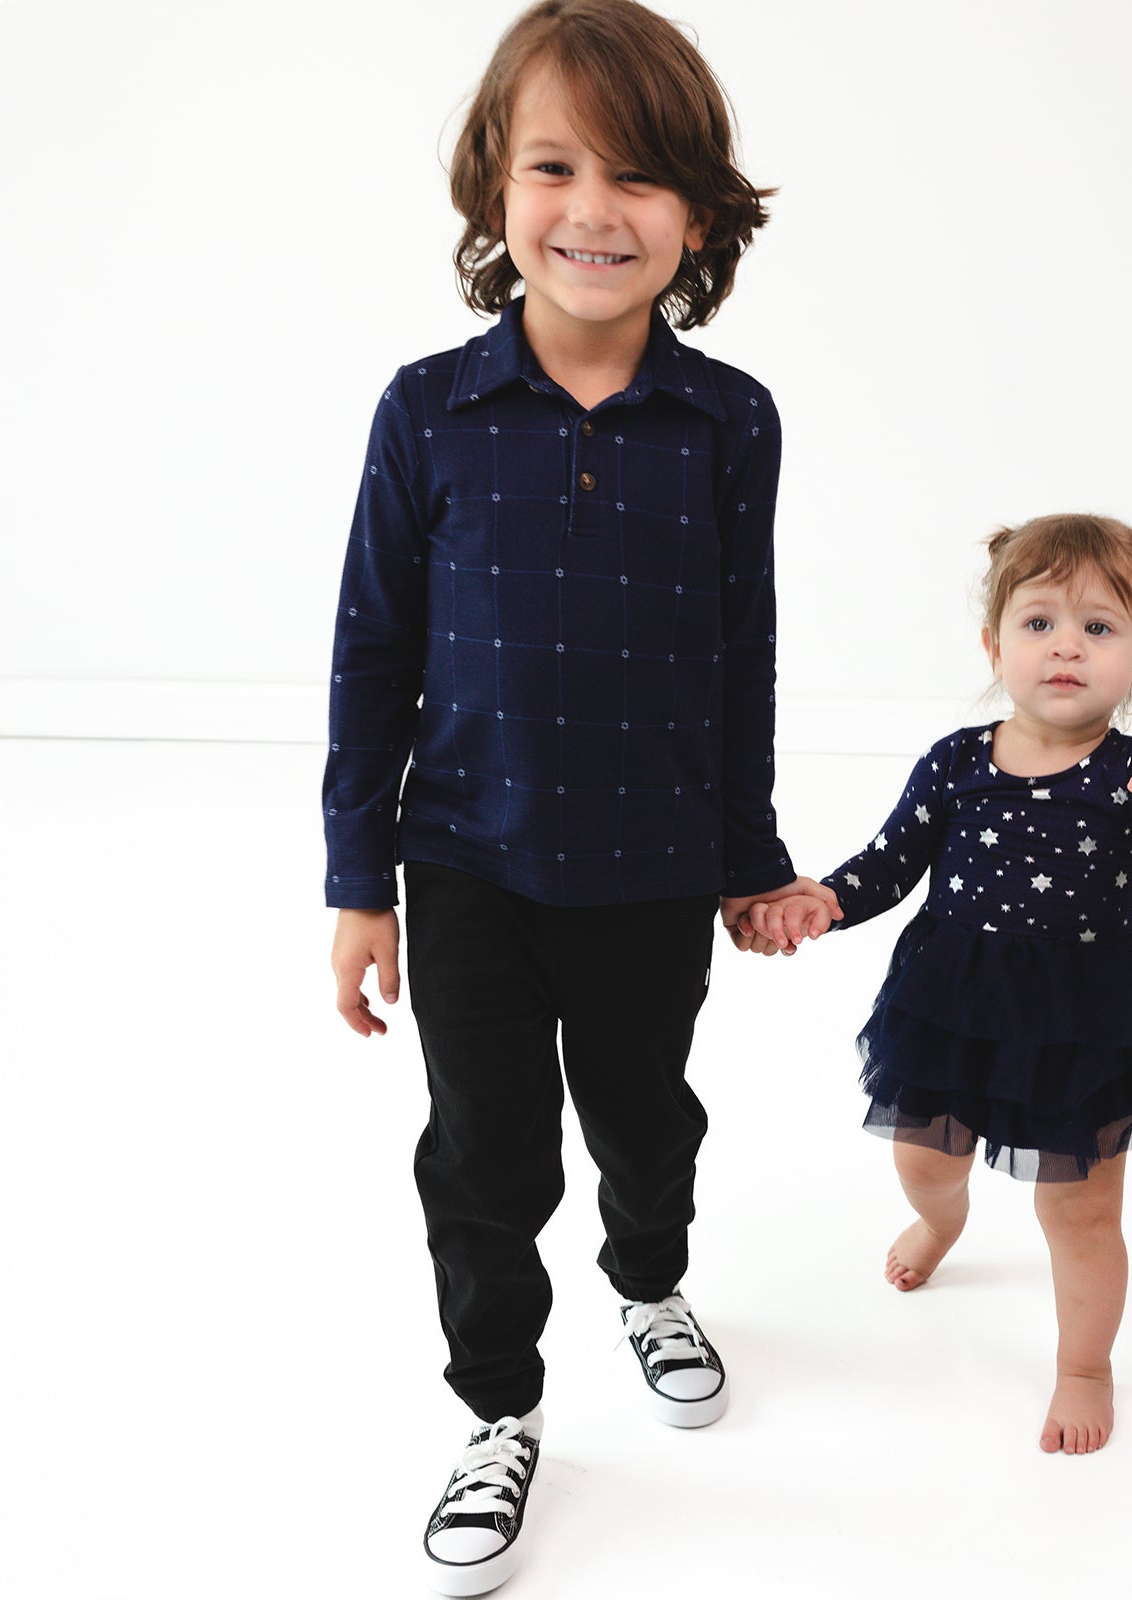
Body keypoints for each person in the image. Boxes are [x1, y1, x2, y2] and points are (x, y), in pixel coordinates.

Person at [321, 3, 834, 1590]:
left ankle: (650, 1276)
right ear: (495, 188)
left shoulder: (729, 419)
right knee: (484, 1153)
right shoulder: (429, 410)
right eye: (554, 165)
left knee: (644, 1119)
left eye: (639, 175)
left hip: (656, 865)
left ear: (698, 213)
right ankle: (498, 1413)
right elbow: (371, 653)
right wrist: (358, 884)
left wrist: (750, 856)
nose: (593, 209)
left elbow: (739, 651)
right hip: (465, 861)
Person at [745, 513, 1132, 1458]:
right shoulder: (957, 761)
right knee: (926, 1158)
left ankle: (1084, 1363)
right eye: (1040, 622)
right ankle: (942, 1222)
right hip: (950, 1002)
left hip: (1083, 1016)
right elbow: (891, 861)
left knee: (1081, 1208)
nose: (1066, 648)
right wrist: (823, 901)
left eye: (1100, 628)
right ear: (994, 643)